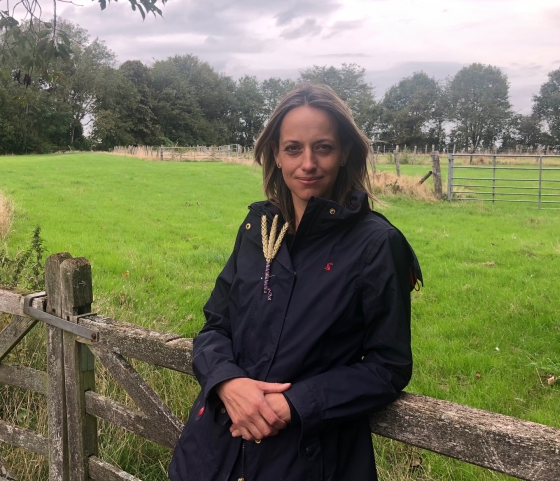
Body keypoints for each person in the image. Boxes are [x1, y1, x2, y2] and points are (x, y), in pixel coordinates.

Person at [168, 83, 422, 481]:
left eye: (323, 147)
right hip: (215, 453)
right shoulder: (258, 229)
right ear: (276, 155)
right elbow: (215, 325)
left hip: (307, 458)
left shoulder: (376, 244)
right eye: (293, 148)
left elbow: (387, 367)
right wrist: (227, 381)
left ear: (344, 154)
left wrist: (294, 404)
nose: (308, 163)